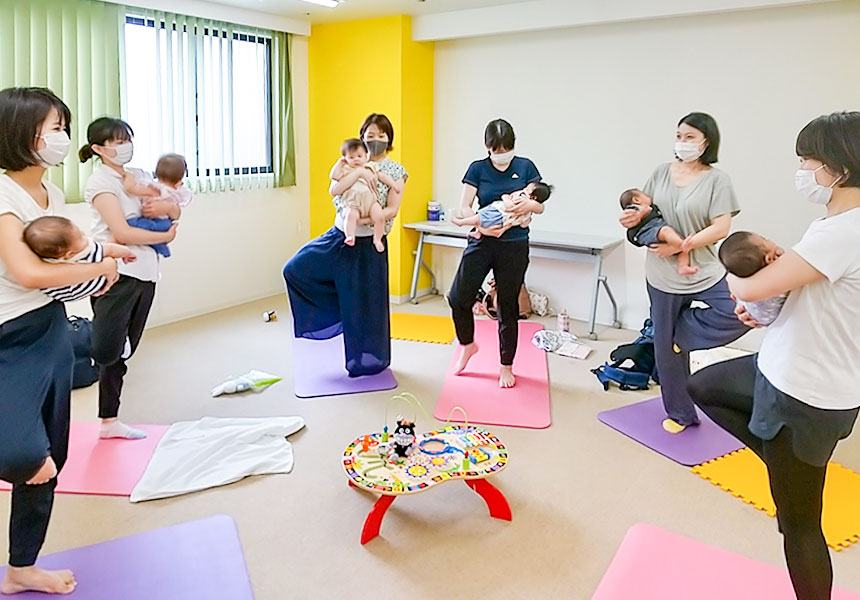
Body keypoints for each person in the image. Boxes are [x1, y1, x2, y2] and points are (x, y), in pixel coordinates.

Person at [689, 112, 860, 600]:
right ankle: (776, 459)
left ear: (839, 168)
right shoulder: (836, 223)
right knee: (705, 385)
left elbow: (748, 281)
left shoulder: (842, 232)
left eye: (807, 159)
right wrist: (768, 300)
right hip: (783, 367)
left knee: (799, 526)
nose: (803, 169)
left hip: (805, 395)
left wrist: (741, 280)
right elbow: (800, 291)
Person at [0, 87, 119, 595]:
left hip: (46, 328)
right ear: (22, 133)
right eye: (54, 127)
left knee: (50, 460)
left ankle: (22, 565)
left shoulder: (48, 194)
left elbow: (64, 259)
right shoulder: (3, 194)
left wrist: (103, 262)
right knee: (25, 453)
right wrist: (100, 267)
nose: (63, 137)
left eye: (62, 125)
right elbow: (27, 271)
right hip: (5, 335)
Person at [619, 112, 748, 433]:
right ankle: (680, 414)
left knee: (740, 312)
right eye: (679, 135)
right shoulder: (661, 173)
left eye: (690, 137)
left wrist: (682, 245)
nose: (682, 142)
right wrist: (630, 220)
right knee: (666, 354)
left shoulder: (718, 180)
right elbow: (643, 212)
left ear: (706, 142)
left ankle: (679, 335)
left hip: (703, 268)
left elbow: (722, 226)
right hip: (662, 276)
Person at [283, 113, 407, 376]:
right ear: (361, 138)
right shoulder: (348, 163)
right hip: (340, 239)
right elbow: (334, 192)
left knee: (370, 307)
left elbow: (393, 209)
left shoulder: (395, 171)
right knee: (294, 269)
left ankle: (368, 363)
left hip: (371, 246)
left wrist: (367, 218)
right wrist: (359, 170)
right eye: (370, 136)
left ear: (389, 139)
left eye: (381, 136)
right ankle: (338, 315)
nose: (375, 141)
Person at [80, 117, 179, 440]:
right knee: (108, 349)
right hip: (115, 273)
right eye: (117, 141)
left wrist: (170, 217)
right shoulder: (100, 183)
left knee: (126, 351)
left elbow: (174, 207)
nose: (125, 146)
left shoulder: (138, 176)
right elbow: (121, 232)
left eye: (127, 139)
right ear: (98, 148)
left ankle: (109, 421)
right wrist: (168, 234)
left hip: (146, 271)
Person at [447, 118, 546, 388]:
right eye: (497, 149)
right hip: (482, 240)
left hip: (514, 245)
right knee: (457, 297)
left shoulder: (526, 167)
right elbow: (464, 206)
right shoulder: (477, 169)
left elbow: (540, 205)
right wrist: (480, 223)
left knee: (507, 306)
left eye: (507, 148)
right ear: (487, 147)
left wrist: (527, 207)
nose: (502, 154)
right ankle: (467, 345)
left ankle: (506, 365)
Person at [22, 215, 135, 302]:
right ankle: (105, 286)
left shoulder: (43, 259)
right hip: (85, 286)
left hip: (60, 294)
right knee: (106, 258)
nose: (83, 234)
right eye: (81, 236)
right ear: (70, 254)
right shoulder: (84, 252)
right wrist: (127, 254)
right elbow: (111, 249)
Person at [330, 138, 402, 251]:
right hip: (352, 202)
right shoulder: (346, 169)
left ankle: (377, 239)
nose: (356, 160)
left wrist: (393, 184)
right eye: (351, 157)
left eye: (359, 156)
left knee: (379, 217)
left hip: (371, 202)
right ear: (345, 158)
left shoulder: (370, 166)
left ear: (366, 156)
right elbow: (334, 177)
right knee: (350, 216)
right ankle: (350, 236)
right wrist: (339, 164)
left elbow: (383, 176)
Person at [122, 153, 192, 258]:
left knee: (131, 224)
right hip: (166, 224)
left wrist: (128, 177)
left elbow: (131, 189)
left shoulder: (154, 188)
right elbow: (178, 212)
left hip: (155, 223)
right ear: (179, 180)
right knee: (148, 227)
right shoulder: (177, 192)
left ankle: (159, 244)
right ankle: (160, 243)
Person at [619, 188, 697, 275]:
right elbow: (643, 212)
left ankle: (683, 266)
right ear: (636, 200)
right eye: (647, 196)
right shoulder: (634, 208)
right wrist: (641, 213)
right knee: (666, 231)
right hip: (647, 230)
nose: (651, 198)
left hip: (653, 228)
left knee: (674, 237)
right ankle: (682, 245)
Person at [718, 231, 787, 326]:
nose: (769, 239)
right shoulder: (778, 281)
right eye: (764, 239)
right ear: (769, 259)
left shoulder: (746, 279)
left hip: (763, 319)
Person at [452, 181, 553, 239]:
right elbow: (523, 224)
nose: (524, 189)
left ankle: (461, 222)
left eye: (527, 189)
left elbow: (509, 205)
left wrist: (505, 197)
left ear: (533, 197)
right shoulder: (528, 212)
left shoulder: (522, 198)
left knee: (479, 218)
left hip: (498, 213)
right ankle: (478, 232)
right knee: (480, 220)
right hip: (503, 222)